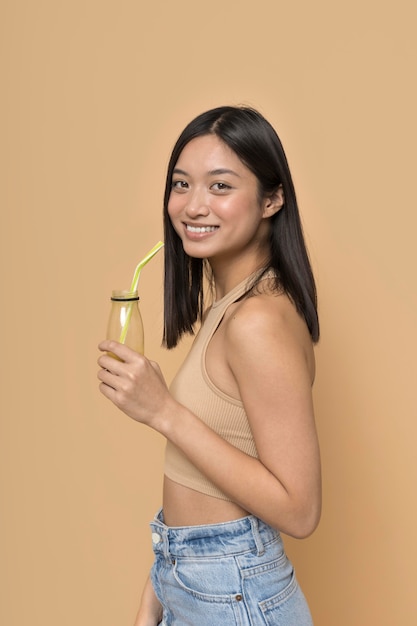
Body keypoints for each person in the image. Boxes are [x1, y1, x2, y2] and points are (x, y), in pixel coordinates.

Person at [97, 105, 321, 626]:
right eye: (181, 184)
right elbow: (195, 494)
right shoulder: (233, 306)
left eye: (220, 186)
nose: (192, 206)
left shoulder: (257, 320)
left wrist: (163, 412)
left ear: (272, 198)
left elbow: (300, 508)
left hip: (233, 594)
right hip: (196, 583)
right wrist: (155, 597)